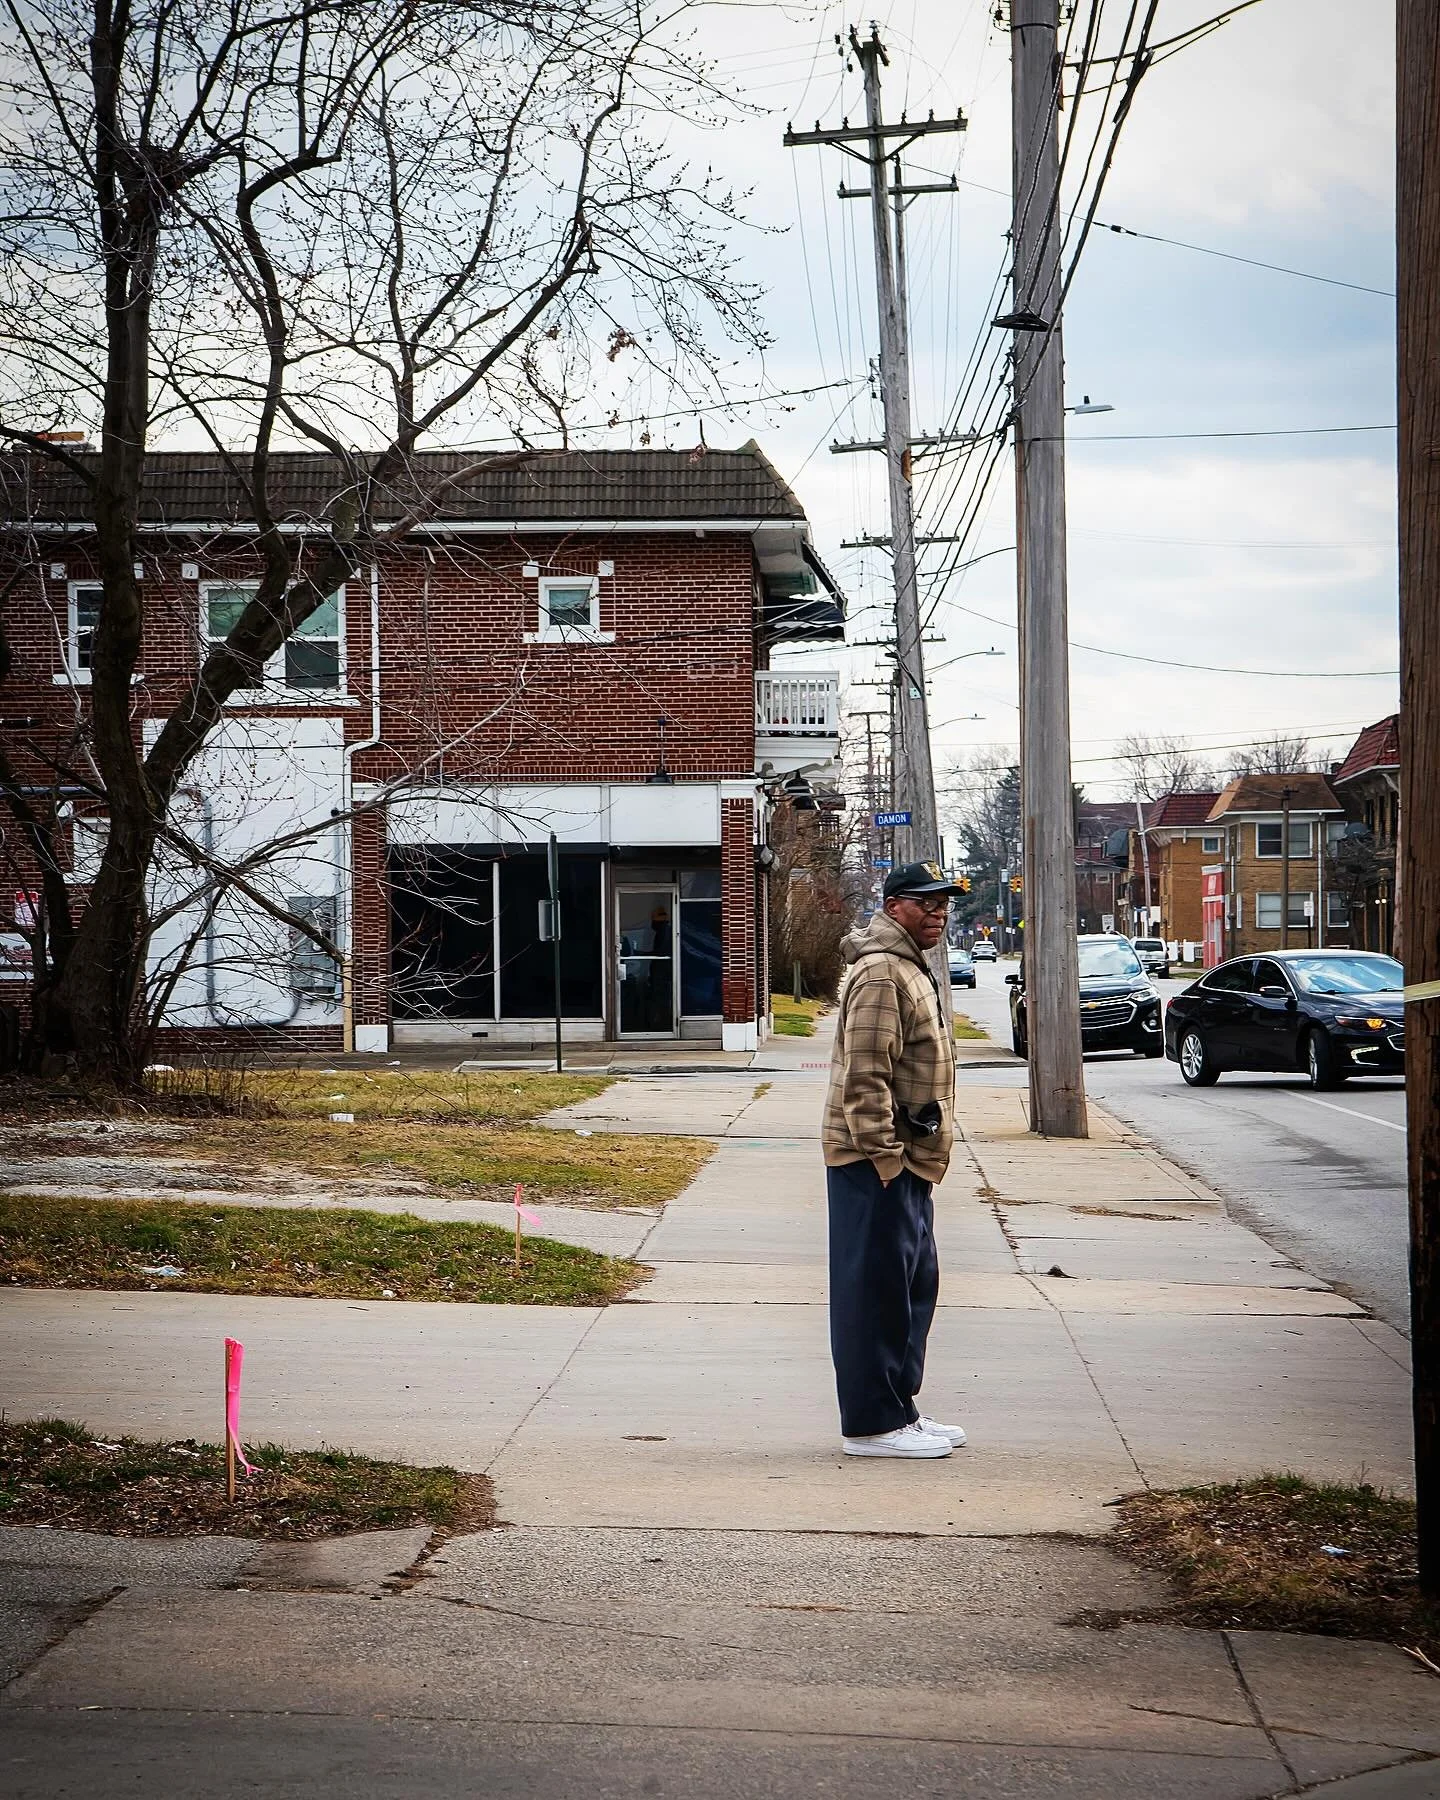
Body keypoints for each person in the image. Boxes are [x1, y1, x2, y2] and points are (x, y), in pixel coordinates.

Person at [822, 861, 966, 1459]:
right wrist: (886, 1158)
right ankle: (872, 1425)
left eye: (945, 904)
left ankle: (898, 1410)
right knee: (874, 1294)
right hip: (876, 1160)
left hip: (909, 1157)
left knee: (910, 1288)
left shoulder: (908, 966)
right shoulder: (882, 972)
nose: (939, 914)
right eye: (927, 903)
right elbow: (865, 1076)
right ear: (895, 906)